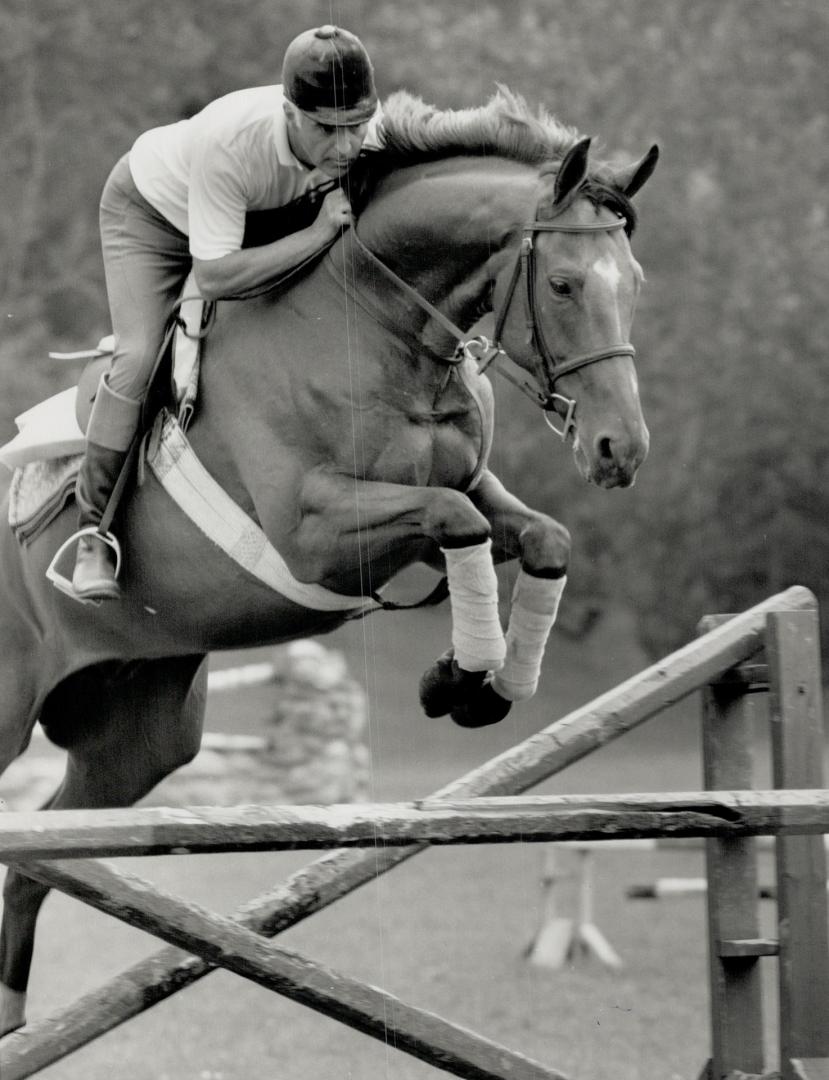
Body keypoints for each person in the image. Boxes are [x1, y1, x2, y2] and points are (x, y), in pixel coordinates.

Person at [70, 25, 380, 602]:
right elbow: (214, 277)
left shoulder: (360, 132)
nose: (346, 146)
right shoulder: (232, 139)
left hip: (248, 211)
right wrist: (317, 232)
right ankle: (92, 535)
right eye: (328, 130)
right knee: (139, 359)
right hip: (152, 216)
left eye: (357, 127)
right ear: (290, 112)